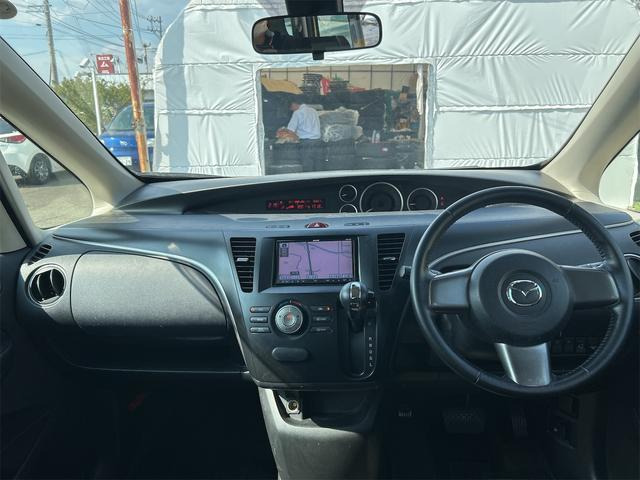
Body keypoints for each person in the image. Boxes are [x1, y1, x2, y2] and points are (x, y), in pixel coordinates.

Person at [277, 101, 324, 171]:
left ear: (293, 104)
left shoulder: (297, 113)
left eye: (291, 108)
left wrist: (294, 138)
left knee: (307, 166)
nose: (291, 110)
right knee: (318, 165)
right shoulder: (313, 110)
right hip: (318, 141)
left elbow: (290, 130)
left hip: (306, 143)